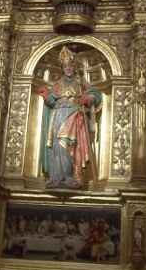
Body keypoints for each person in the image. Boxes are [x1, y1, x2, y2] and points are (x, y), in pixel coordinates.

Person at [39, 46, 102, 188]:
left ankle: (71, 177)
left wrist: (88, 98)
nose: (68, 68)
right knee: (57, 145)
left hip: (74, 116)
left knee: (71, 144)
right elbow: (52, 101)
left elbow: (95, 94)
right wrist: (46, 96)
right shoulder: (58, 83)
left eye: (70, 65)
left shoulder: (80, 81)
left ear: (74, 67)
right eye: (65, 66)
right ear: (62, 68)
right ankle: (57, 177)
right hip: (59, 115)